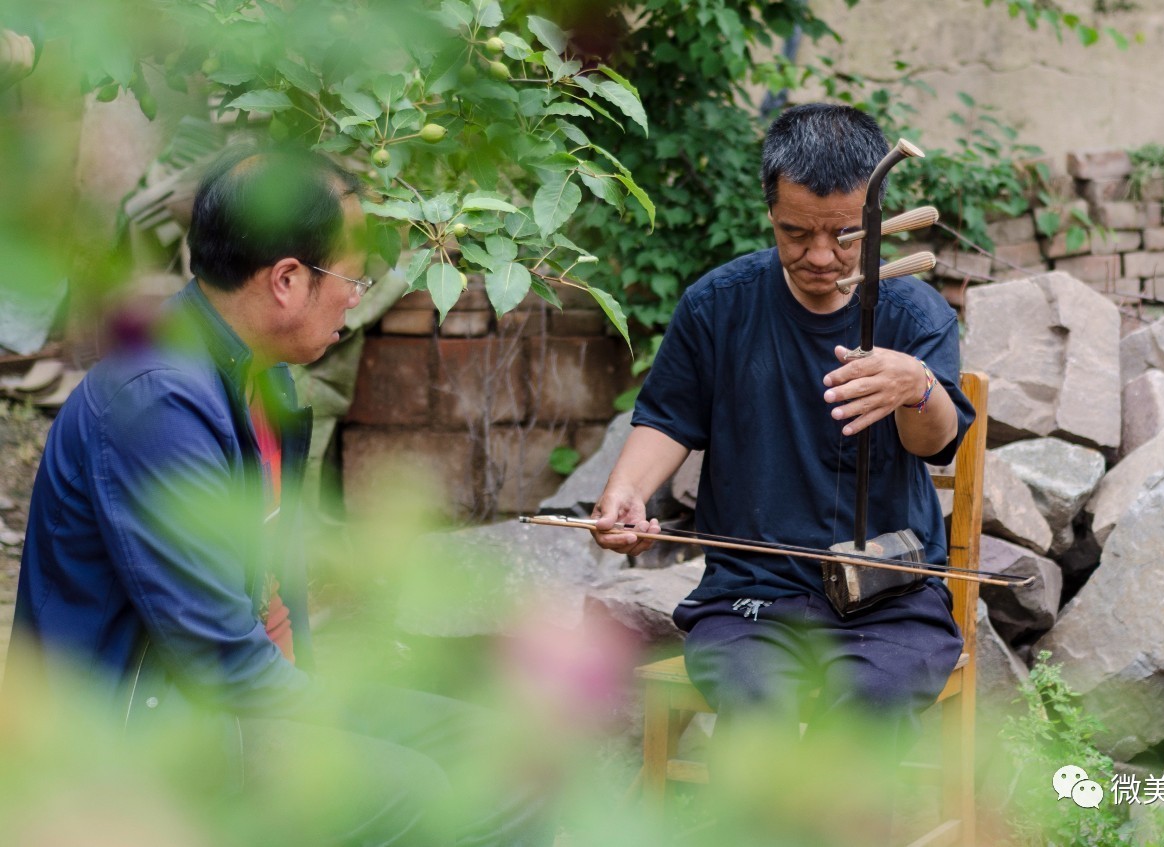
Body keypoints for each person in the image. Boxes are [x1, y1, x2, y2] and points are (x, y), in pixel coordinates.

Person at [5, 146, 552, 846]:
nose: (357, 297)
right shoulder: (157, 401)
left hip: (243, 706)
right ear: (287, 280)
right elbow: (222, 659)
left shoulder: (268, 384)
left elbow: (274, 604)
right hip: (148, 737)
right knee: (416, 791)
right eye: (353, 279)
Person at [592, 104, 975, 751]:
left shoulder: (914, 312)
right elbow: (667, 417)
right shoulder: (719, 304)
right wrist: (626, 490)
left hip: (889, 597)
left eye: (846, 235)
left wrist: (918, 385)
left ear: (877, 218)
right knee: (753, 696)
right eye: (796, 233)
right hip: (753, 594)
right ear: (770, 210)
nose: (820, 255)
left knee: (869, 700)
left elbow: (934, 440)